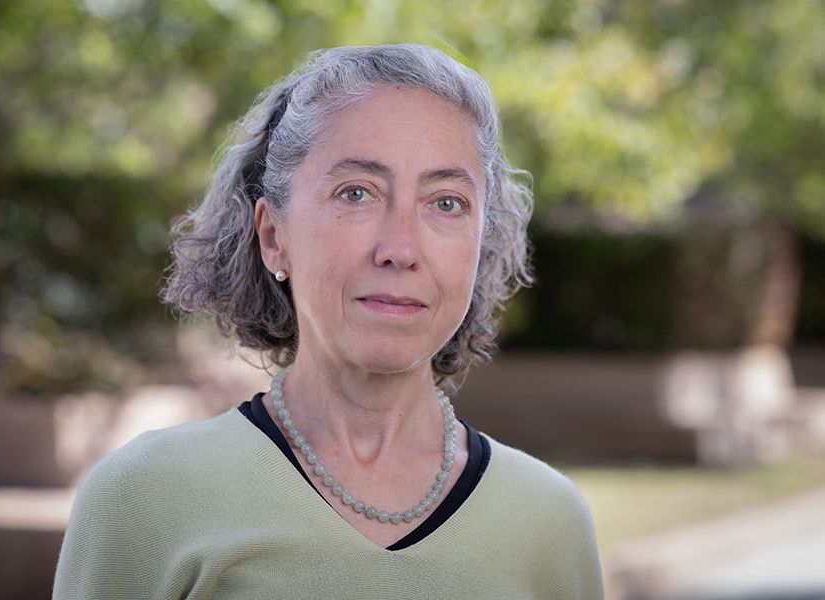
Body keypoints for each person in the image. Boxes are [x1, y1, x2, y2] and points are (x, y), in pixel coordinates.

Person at [53, 44, 603, 599]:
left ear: (481, 243)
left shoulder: (548, 523)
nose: (400, 249)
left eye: (446, 203)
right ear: (274, 237)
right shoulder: (144, 498)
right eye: (356, 193)